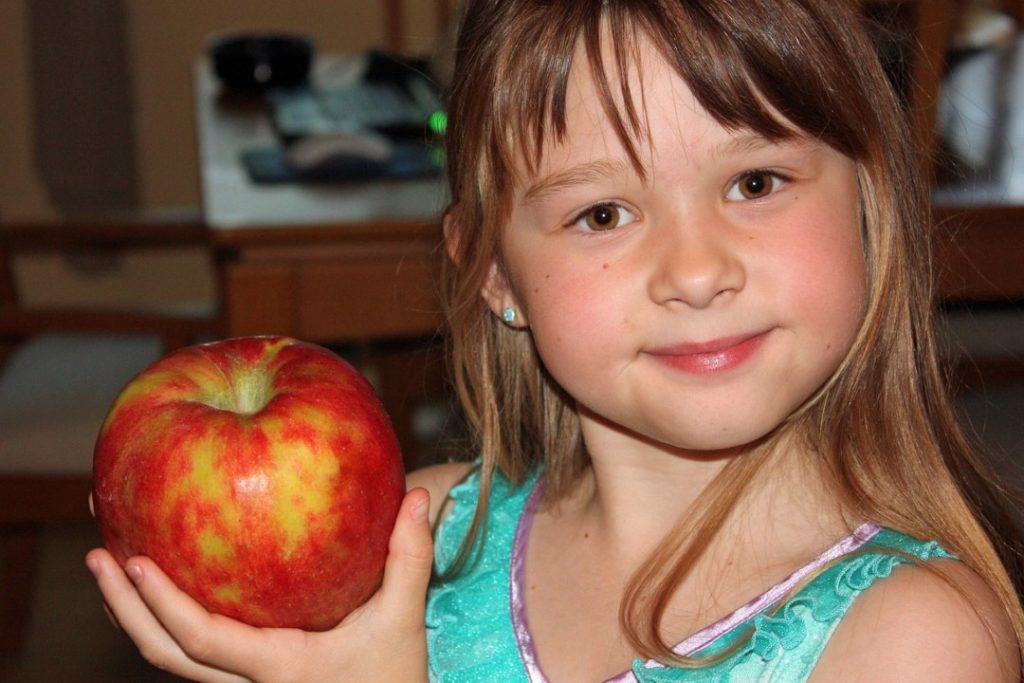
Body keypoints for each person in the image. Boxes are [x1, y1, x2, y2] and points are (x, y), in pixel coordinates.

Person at [86, 0, 1024, 680]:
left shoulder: (919, 638)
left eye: (755, 183)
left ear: (868, 201)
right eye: (603, 212)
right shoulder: (415, 542)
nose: (697, 271)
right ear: (496, 272)